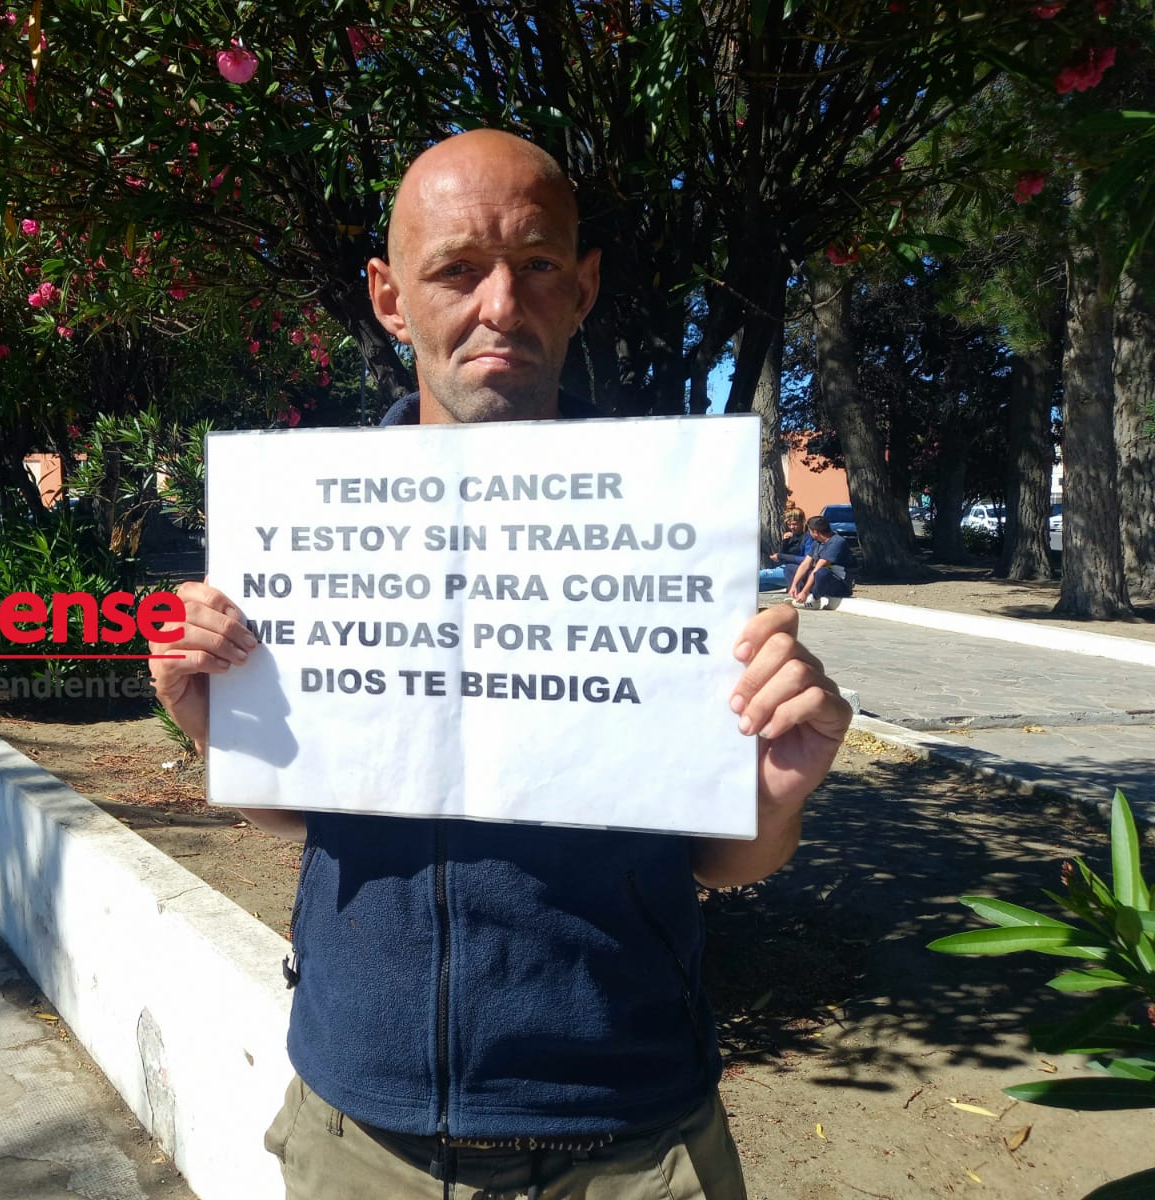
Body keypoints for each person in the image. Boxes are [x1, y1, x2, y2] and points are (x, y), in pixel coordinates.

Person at [151, 130, 852, 1200]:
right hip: (359, 1138)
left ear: (582, 288)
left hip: (632, 1143)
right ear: (390, 298)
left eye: (534, 265)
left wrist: (777, 794)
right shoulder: (306, 541)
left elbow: (723, 864)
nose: (498, 304)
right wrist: (220, 725)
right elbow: (308, 821)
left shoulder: (664, 535)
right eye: (454, 269)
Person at [786, 515, 854, 609]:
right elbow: (805, 564)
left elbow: (819, 567)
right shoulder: (817, 543)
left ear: (815, 532)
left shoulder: (837, 542)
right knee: (790, 568)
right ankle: (798, 596)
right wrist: (794, 585)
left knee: (821, 572)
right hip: (819, 580)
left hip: (839, 583)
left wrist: (805, 591)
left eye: (809, 530)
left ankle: (814, 599)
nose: (808, 533)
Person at [758, 508, 806, 590]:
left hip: (796, 571)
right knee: (757, 588)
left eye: (795, 524)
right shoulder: (791, 536)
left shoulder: (807, 537)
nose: (792, 527)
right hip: (783, 568)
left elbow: (805, 559)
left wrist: (781, 556)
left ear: (802, 522)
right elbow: (781, 556)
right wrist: (785, 542)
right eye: (789, 524)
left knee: (760, 575)